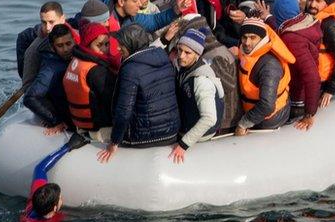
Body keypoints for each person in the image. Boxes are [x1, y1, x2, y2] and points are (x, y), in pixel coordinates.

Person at [98, 25, 181, 163]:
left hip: (142, 138)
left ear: (132, 45)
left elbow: (124, 111)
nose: (118, 49)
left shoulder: (130, 69)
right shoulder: (164, 58)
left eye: (121, 45)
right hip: (171, 132)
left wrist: (114, 142)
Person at [164, 14, 241, 134]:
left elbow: (228, 85)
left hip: (226, 120)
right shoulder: (213, 51)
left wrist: (206, 75)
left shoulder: (215, 56)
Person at [264, 0, 322, 130]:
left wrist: (309, 113)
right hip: (299, 94)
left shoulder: (293, 39)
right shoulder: (304, 21)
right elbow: (283, 25)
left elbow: (312, 77)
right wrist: (267, 17)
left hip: (298, 101)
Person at [19, 133, 90, 222]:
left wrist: (68, 146)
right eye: (60, 198)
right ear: (55, 207)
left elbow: (40, 168)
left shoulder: (38, 194)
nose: (62, 198)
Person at [169, 29, 225, 163]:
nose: (181, 56)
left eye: (187, 53)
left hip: (200, 136)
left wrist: (183, 144)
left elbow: (210, 118)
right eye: (180, 50)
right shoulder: (186, 66)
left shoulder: (201, 81)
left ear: (197, 55)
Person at [235, 18, 296, 135]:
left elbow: (267, 106)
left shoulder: (269, 65)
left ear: (262, 39)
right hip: (253, 109)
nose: (247, 42)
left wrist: (243, 123)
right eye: (244, 37)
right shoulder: (248, 51)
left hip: (270, 119)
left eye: (253, 38)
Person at [63, 22, 119, 135]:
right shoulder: (96, 71)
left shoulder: (75, 61)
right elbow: (113, 100)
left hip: (80, 124)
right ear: (88, 45)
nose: (104, 49)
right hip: (99, 128)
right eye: (99, 45)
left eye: (107, 44)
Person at [23, 24, 76, 134]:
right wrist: (55, 121)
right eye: (60, 46)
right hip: (61, 112)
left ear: (74, 41)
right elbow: (29, 98)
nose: (66, 49)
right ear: (53, 47)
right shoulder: (51, 69)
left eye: (68, 44)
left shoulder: (76, 55)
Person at [16, 1, 69, 89]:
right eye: (44, 22)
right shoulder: (33, 51)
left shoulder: (73, 29)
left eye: (51, 22)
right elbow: (27, 87)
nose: (48, 28)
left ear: (62, 19)